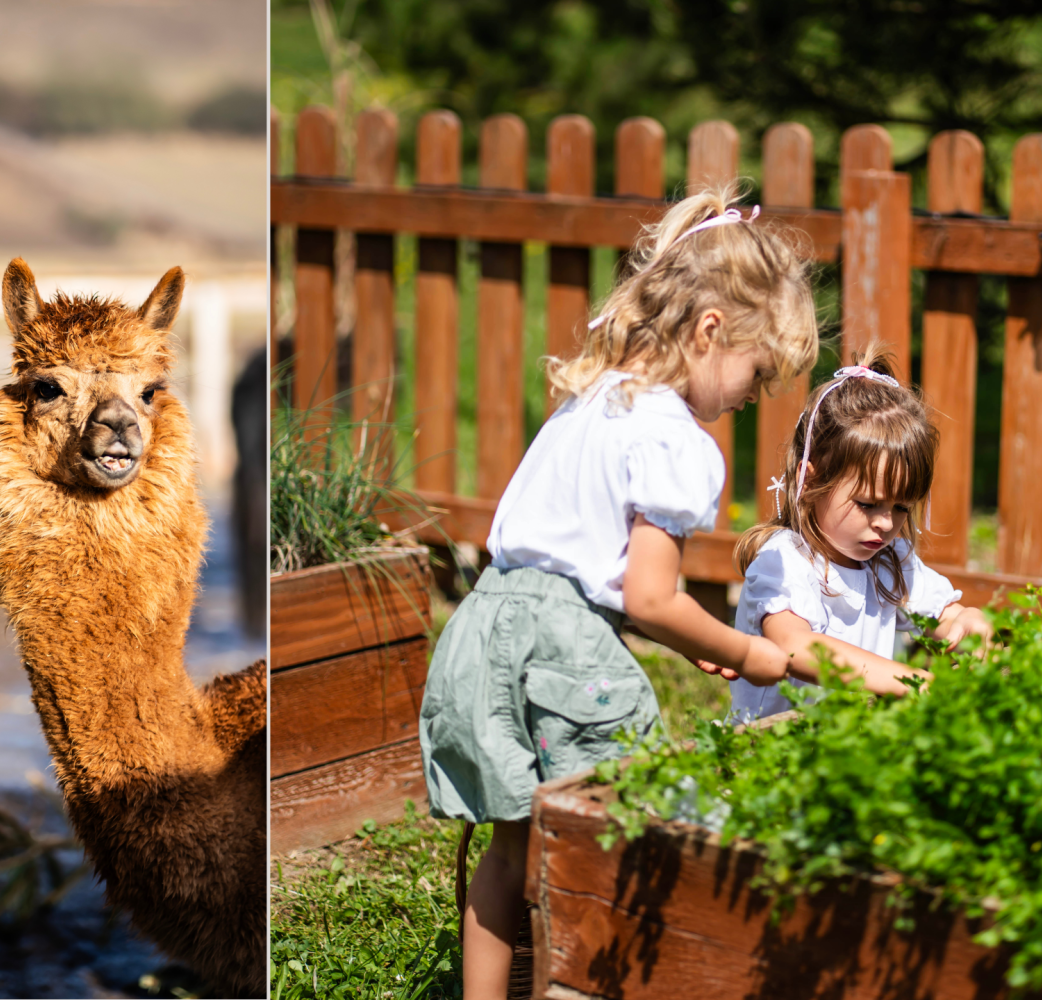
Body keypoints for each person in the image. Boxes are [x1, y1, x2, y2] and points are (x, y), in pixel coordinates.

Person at [417, 185, 820, 1000]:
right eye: (756, 371)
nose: (753, 396)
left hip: (484, 625)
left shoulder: (593, 399)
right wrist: (746, 654)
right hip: (564, 652)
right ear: (710, 331)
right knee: (611, 846)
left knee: (512, 850)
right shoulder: (675, 438)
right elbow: (650, 598)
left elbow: (586, 575)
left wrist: (687, 641)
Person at [730, 352, 993, 723]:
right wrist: (910, 680)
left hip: (848, 748)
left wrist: (967, 622)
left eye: (902, 508)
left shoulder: (888, 561)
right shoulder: (785, 562)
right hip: (769, 754)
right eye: (868, 504)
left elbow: (944, 618)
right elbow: (793, 647)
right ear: (810, 482)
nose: (886, 523)